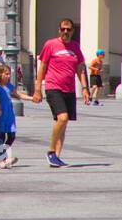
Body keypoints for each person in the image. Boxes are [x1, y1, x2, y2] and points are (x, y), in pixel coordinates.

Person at [32, 17, 89, 166]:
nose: (65, 32)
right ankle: (51, 151)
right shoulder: (50, 45)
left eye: (68, 29)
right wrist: (38, 89)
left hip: (69, 89)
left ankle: (56, 157)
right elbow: (42, 67)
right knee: (62, 118)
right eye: (63, 29)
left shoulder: (75, 47)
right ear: (59, 30)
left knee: (63, 123)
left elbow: (80, 69)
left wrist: (84, 89)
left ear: (72, 31)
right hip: (53, 87)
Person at [0, 62, 18, 167]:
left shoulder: (9, 86)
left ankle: (0, 157)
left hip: (9, 114)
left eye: (9, 74)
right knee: (1, 137)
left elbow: (18, 94)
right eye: (6, 74)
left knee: (12, 136)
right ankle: (1, 158)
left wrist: (32, 98)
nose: (8, 76)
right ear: (0, 74)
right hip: (1, 114)